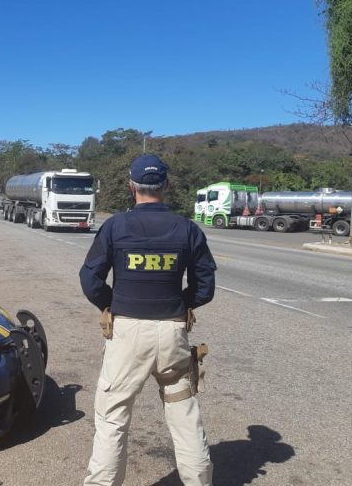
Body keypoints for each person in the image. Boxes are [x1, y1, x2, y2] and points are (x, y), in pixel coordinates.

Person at [79, 153, 217, 486]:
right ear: (167, 186)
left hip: (126, 333)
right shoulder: (187, 229)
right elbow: (205, 286)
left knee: (112, 420)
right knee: (184, 416)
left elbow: (90, 278)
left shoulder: (116, 226)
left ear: (131, 187)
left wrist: (113, 304)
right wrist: (181, 304)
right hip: (173, 333)